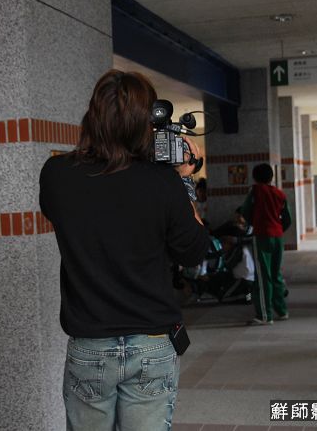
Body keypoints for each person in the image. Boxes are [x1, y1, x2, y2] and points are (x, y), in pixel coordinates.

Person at [39, 69, 210, 431]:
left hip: (90, 344)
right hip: (152, 342)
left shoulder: (56, 174)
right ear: (146, 123)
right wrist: (184, 179)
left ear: (93, 116)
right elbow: (193, 251)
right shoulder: (163, 181)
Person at [240, 163, 292, 324]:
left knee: (263, 277)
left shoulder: (255, 191)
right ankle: (282, 310)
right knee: (276, 274)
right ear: (271, 177)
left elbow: (245, 211)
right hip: (278, 236)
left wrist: (255, 223)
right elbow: (288, 218)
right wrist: (278, 228)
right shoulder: (280, 193)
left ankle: (264, 315)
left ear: (255, 177)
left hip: (262, 236)